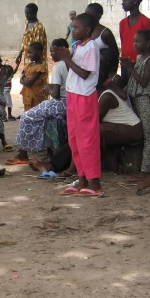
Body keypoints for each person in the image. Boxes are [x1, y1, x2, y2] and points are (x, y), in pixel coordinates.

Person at [54, 13, 103, 197]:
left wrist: (66, 59)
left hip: (84, 96)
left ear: (88, 30)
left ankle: (95, 182)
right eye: (72, 27)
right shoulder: (78, 46)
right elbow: (71, 70)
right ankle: (82, 179)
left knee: (87, 140)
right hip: (73, 94)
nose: (72, 30)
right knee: (74, 139)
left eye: (76, 27)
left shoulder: (91, 46)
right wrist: (64, 57)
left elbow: (84, 74)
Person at [7, 38, 69, 165]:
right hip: (70, 102)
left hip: (61, 103)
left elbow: (56, 94)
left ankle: (23, 154)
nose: (51, 54)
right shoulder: (73, 64)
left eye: (53, 51)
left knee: (26, 117)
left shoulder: (58, 68)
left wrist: (49, 89)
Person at [121, 29, 150, 179]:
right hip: (138, 98)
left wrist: (129, 68)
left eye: (138, 41)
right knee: (147, 132)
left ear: (147, 43)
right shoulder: (140, 58)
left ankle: (146, 170)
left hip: (145, 98)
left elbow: (144, 82)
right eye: (134, 41)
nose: (134, 44)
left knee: (149, 134)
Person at [99, 75, 143, 168]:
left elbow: (94, 120)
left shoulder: (107, 97)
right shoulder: (106, 94)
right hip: (129, 128)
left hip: (133, 130)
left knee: (92, 131)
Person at [119, 0, 150, 84]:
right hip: (126, 66)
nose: (123, 3)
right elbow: (124, 44)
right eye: (123, 0)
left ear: (135, 1)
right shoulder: (123, 23)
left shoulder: (146, 23)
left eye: (126, 0)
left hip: (141, 67)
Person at [85, 3, 120, 83]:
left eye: (90, 14)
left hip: (103, 75)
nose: (87, 17)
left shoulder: (105, 33)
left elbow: (115, 54)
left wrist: (112, 73)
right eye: (86, 14)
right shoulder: (85, 32)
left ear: (99, 15)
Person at [17, 41, 48, 111]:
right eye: (28, 52)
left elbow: (29, 83)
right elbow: (21, 79)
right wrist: (25, 80)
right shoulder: (29, 65)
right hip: (27, 95)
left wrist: (24, 80)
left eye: (31, 52)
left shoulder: (40, 68)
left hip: (36, 97)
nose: (29, 55)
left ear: (39, 52)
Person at [16, 3, 48, 70]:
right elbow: (24, 39)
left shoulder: (39, 27)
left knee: (34, 75)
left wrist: (35, 62)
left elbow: (38, 48)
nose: (27, 15)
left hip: (35, 58)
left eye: (29, 13)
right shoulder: (26, 23)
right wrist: (20, 53)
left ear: (35, 13)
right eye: (25, 13)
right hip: (28, 56)